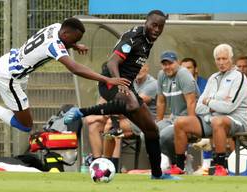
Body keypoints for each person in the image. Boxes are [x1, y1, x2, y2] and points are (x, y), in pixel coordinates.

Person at [64, 10, 179, 180]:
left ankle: (157, 174)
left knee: (152, 130)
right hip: (110, 81)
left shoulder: (148, 41)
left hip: (125, 85)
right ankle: (82, 112)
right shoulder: (134, 37)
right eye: (154, 25)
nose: (156, 29)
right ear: (146, 22)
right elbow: (112, 62)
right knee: (131, 104)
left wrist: (125, 85)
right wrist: (118, 81)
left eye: (160, 27)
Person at [0, 18, 130, 134]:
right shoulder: (54, 45)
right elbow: (75, 68)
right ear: (65, 34)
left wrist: (75, 45)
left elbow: (63, 42)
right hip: (10, 77)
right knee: (25, 126)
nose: (74, 42)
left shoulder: (56, 27)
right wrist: (107, 79)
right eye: (74, 39)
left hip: (8, 61)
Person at [174, 44, 247, 176]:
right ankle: (179, 166)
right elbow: (198, 107)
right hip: (212, 118)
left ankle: (221, 166)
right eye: (218, 59)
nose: (221, 62)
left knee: (217, 121)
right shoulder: (213, 78)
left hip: (238, 120)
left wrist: (209, 101)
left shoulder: (239, 76)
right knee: (180, 122)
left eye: (224, 58)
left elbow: (229, 107)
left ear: (231, 59)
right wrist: (215, 103)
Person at [156, 52, 199, 174]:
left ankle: (177, 165)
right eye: (164, 64)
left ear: (177, 63)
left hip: (187, 119)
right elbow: (161, 101)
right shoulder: (161, 75)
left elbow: (191, 102)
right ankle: (179, 161)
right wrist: (159, 122)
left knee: (164, 136)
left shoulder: (183, 74)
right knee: (148, 134)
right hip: (173, 118)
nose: (167, 67)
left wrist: (191, 125)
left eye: (170, 63)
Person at [181, 58, 212, 175]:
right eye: (183, 68)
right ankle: (184, 164)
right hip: (185, 118)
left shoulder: (205, 83)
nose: (186, 71)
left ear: (196, 69)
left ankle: (206, 165)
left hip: (202, 117)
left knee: (207, 124)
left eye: (189, 68)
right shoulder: (178, 83)